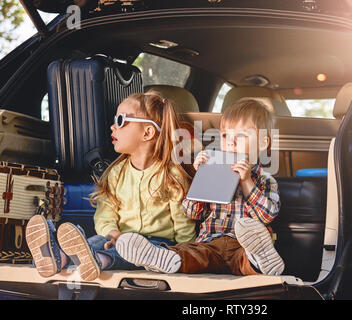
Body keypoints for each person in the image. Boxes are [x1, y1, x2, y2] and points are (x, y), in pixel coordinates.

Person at [25, 91, 196, 281]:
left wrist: (184, 253)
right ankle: (59, 257)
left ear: (147, 132)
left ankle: (98, 260)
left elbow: (183, 222)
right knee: (97, 241)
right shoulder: (116, 173)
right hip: (116, 237)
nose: (112, 127)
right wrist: (114, 234)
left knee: (133, 252)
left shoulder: (171, 175)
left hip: (156, 244)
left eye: (121, 120)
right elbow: (105, 215)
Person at [115, 98, 285, 276]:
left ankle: (260, 259)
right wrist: (201, 178)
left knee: (246, 260)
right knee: (192, 254)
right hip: (209, 245)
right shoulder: (214, 172)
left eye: (241, 136)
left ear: (263, 143)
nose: (231, 143)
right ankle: (164, 257)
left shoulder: (265, 180)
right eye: (226, 135)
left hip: (242, 247)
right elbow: (192, 213)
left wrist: (246, 181)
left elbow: (266, 216)